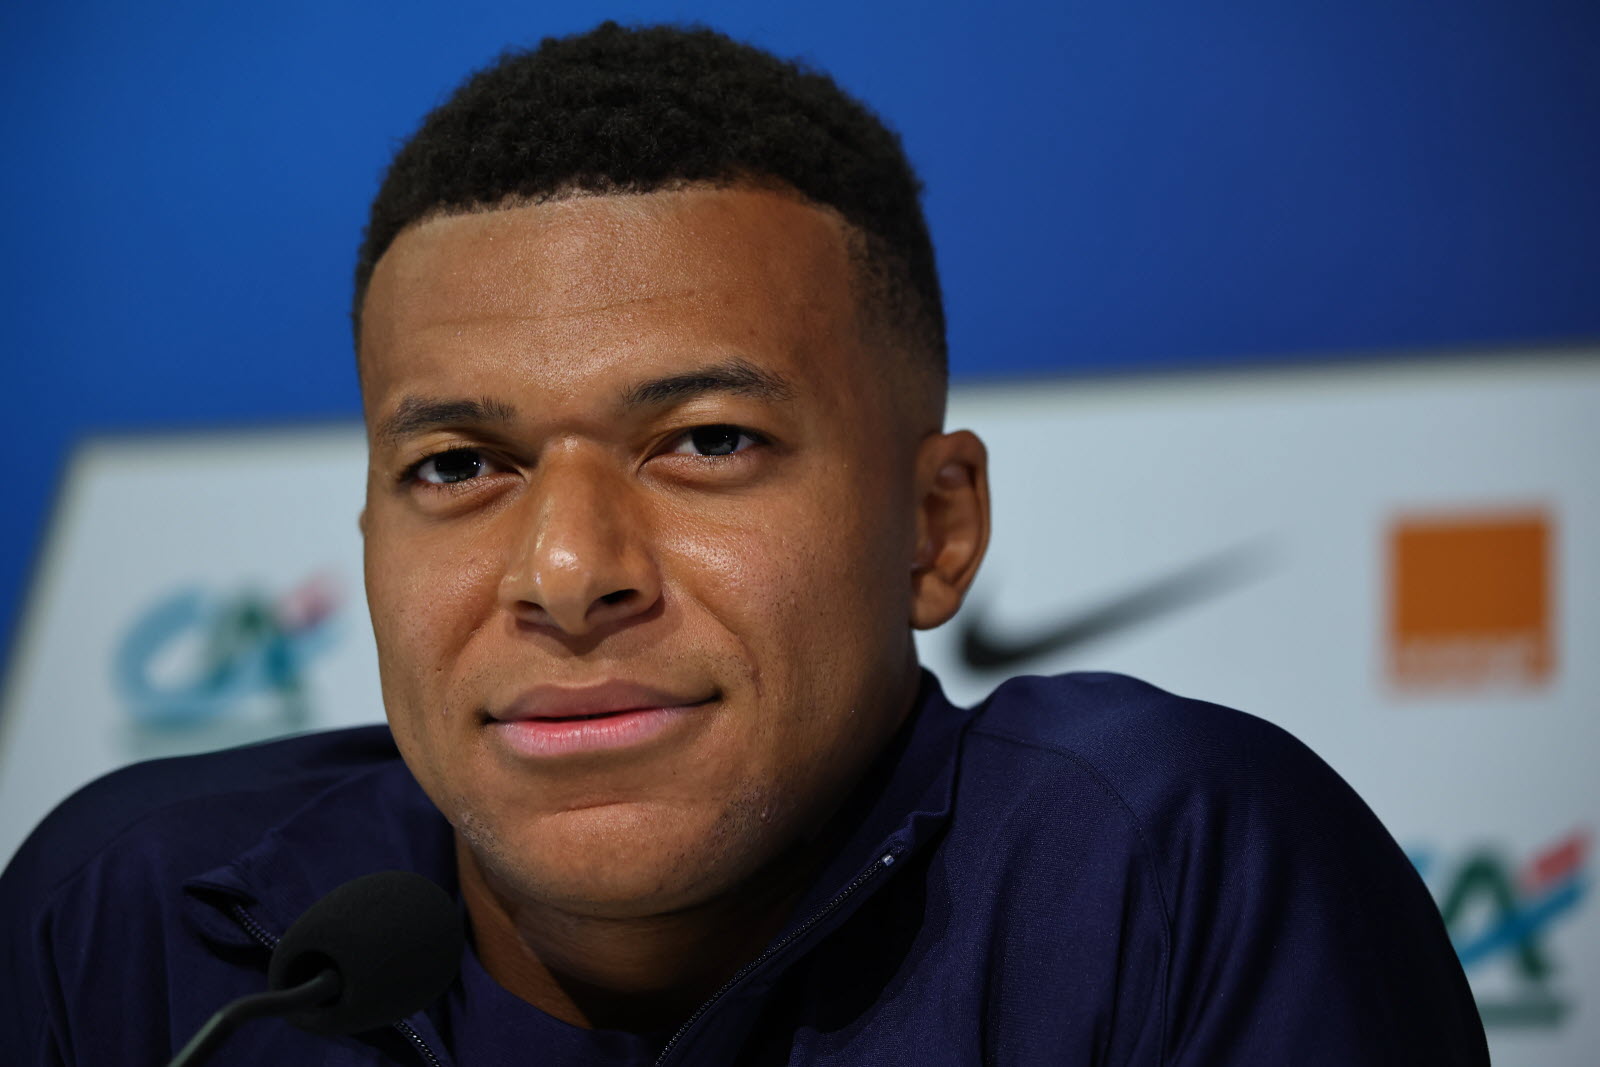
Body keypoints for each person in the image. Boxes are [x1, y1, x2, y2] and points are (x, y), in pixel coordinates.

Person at [1, 21, 1487, 1066]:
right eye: (460, 465)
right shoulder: (138, 926)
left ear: (936, 526)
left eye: (707, 442)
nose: (571, 574)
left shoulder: (1162, 875)